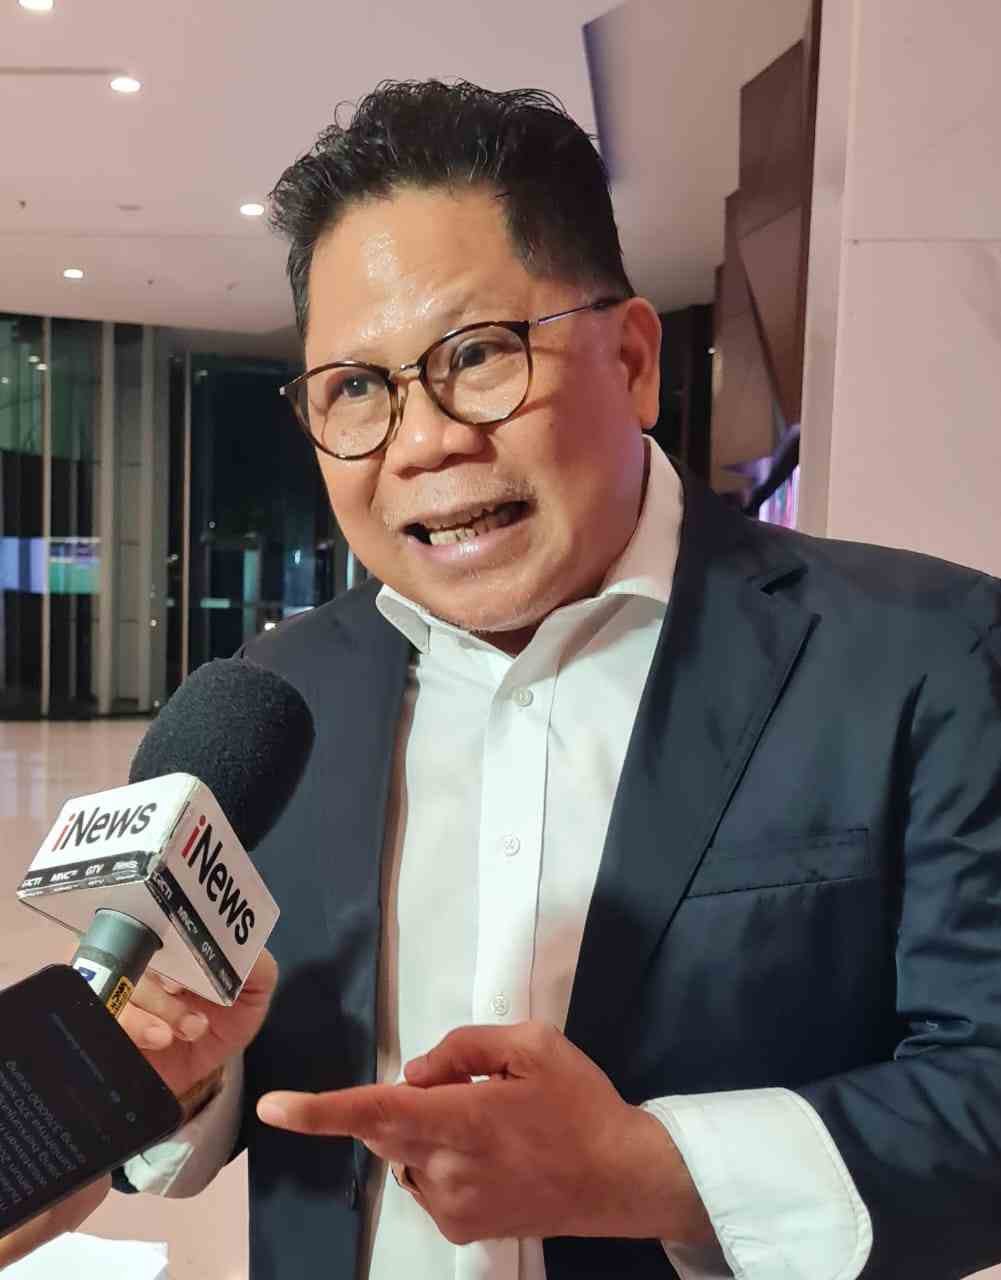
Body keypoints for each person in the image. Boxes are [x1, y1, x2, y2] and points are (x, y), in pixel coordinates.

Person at [113, 80, 1001, 1279]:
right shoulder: (273, 701)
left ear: (631, 359)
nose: (423, 441)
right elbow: (245, 1083)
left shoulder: (922, 653)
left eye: (478, 353)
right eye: (356, 388)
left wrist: (650, 1169)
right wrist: (180, 1071)